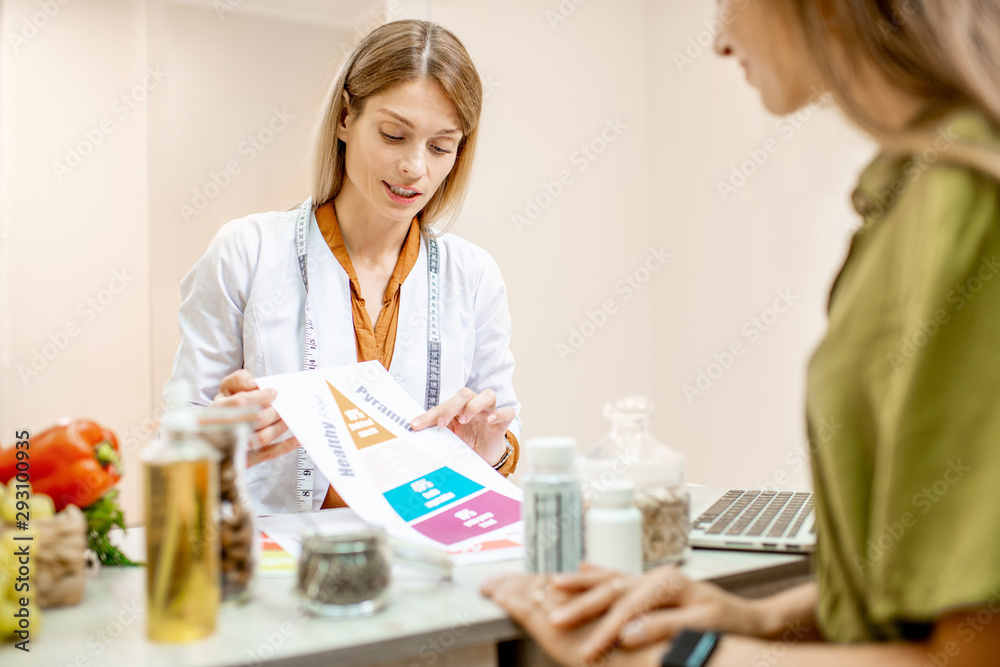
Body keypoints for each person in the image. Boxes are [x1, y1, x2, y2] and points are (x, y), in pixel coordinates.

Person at [482, 1, 1000, 665]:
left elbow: (971, 651)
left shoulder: (969, 196)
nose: (721, 40)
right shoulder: (907, 194)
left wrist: (667, 658)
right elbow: (905, 599)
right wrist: (748, 614)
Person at [164, 20, 521, 514]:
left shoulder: (474, 275)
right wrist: (217, 442)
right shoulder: (246, 251)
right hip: (282, 567)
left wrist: (490, 447)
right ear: (345, 117)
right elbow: (179, 433)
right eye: (394, 135)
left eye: (441, 147)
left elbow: (504, 427)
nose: (415, 167)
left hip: (421, 558)